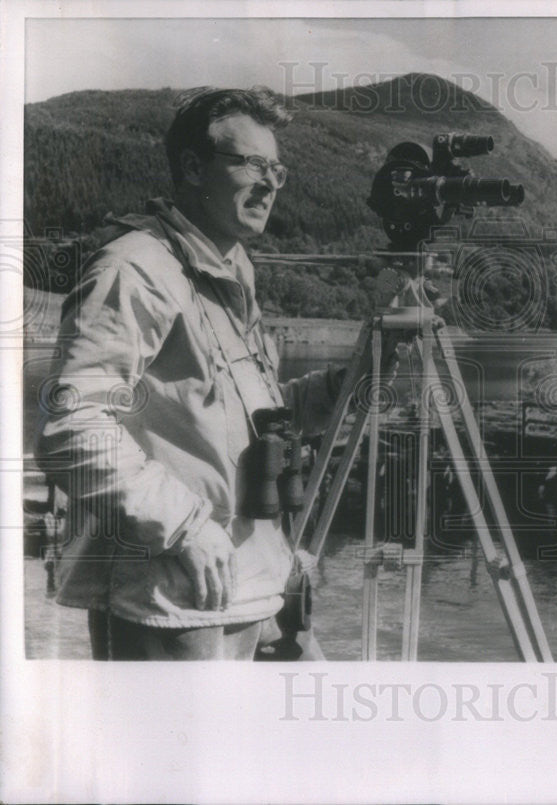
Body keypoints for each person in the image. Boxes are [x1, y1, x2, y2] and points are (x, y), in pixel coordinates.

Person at [37, 86, 339, 660]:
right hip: (173, 593)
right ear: (194, 167)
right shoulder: (136, 267)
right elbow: (70, 427)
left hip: (248, 582)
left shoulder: (230, 267)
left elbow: (254, 420)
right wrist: (186, 526)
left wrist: (362, 374)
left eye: (277, 167)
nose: (271, 181)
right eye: (252, 163)